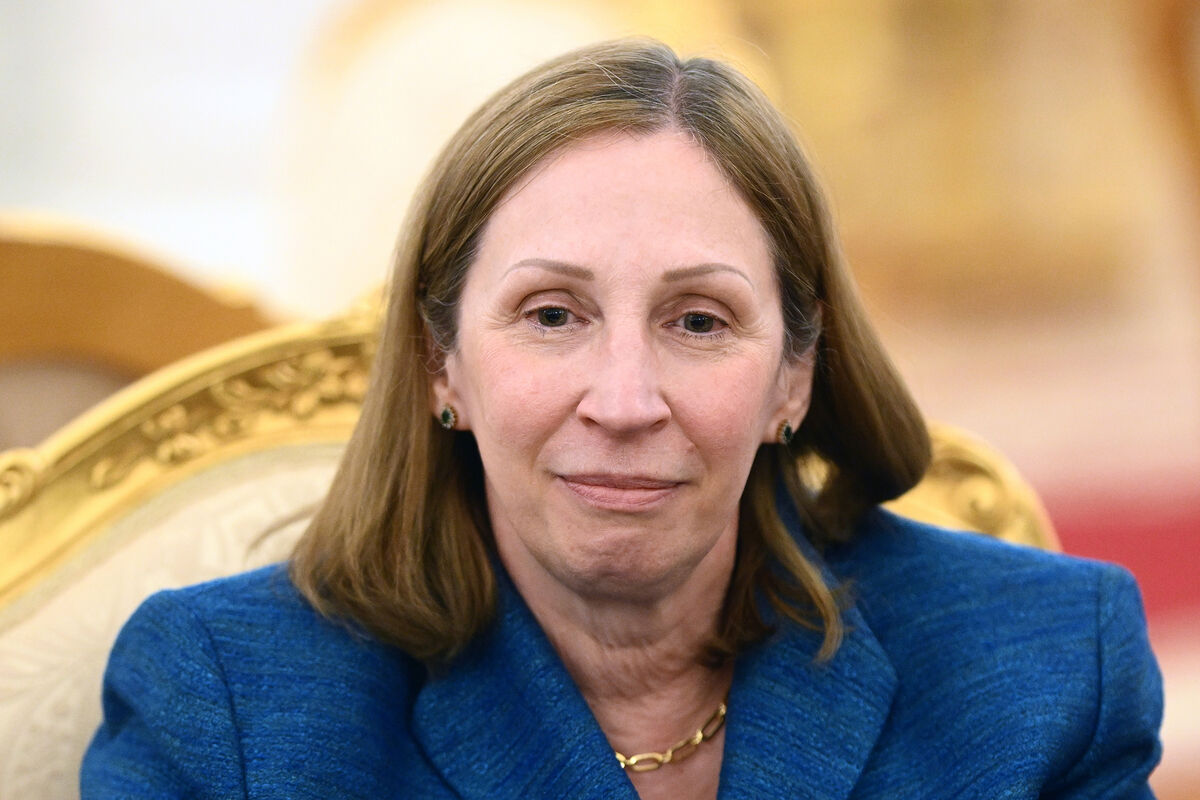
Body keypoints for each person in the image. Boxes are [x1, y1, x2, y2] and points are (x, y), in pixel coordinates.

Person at [81, 39, 1162, 799]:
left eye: (698, 321)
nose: (626, 401)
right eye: (553, 315)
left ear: (795, 376)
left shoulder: (1048, 664)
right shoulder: (228, 703)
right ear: (437, 362)